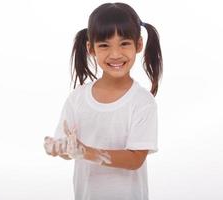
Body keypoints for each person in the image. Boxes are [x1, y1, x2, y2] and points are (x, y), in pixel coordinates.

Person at [44, 2, 163, 200]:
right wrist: (59, 148)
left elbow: (135, 159)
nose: (115, 54)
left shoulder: (143, 102)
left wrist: (86, 152)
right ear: (91, 48)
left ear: (139, 44)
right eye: (104, 45)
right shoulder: (77, 99)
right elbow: (67, 148)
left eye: (124, 43)